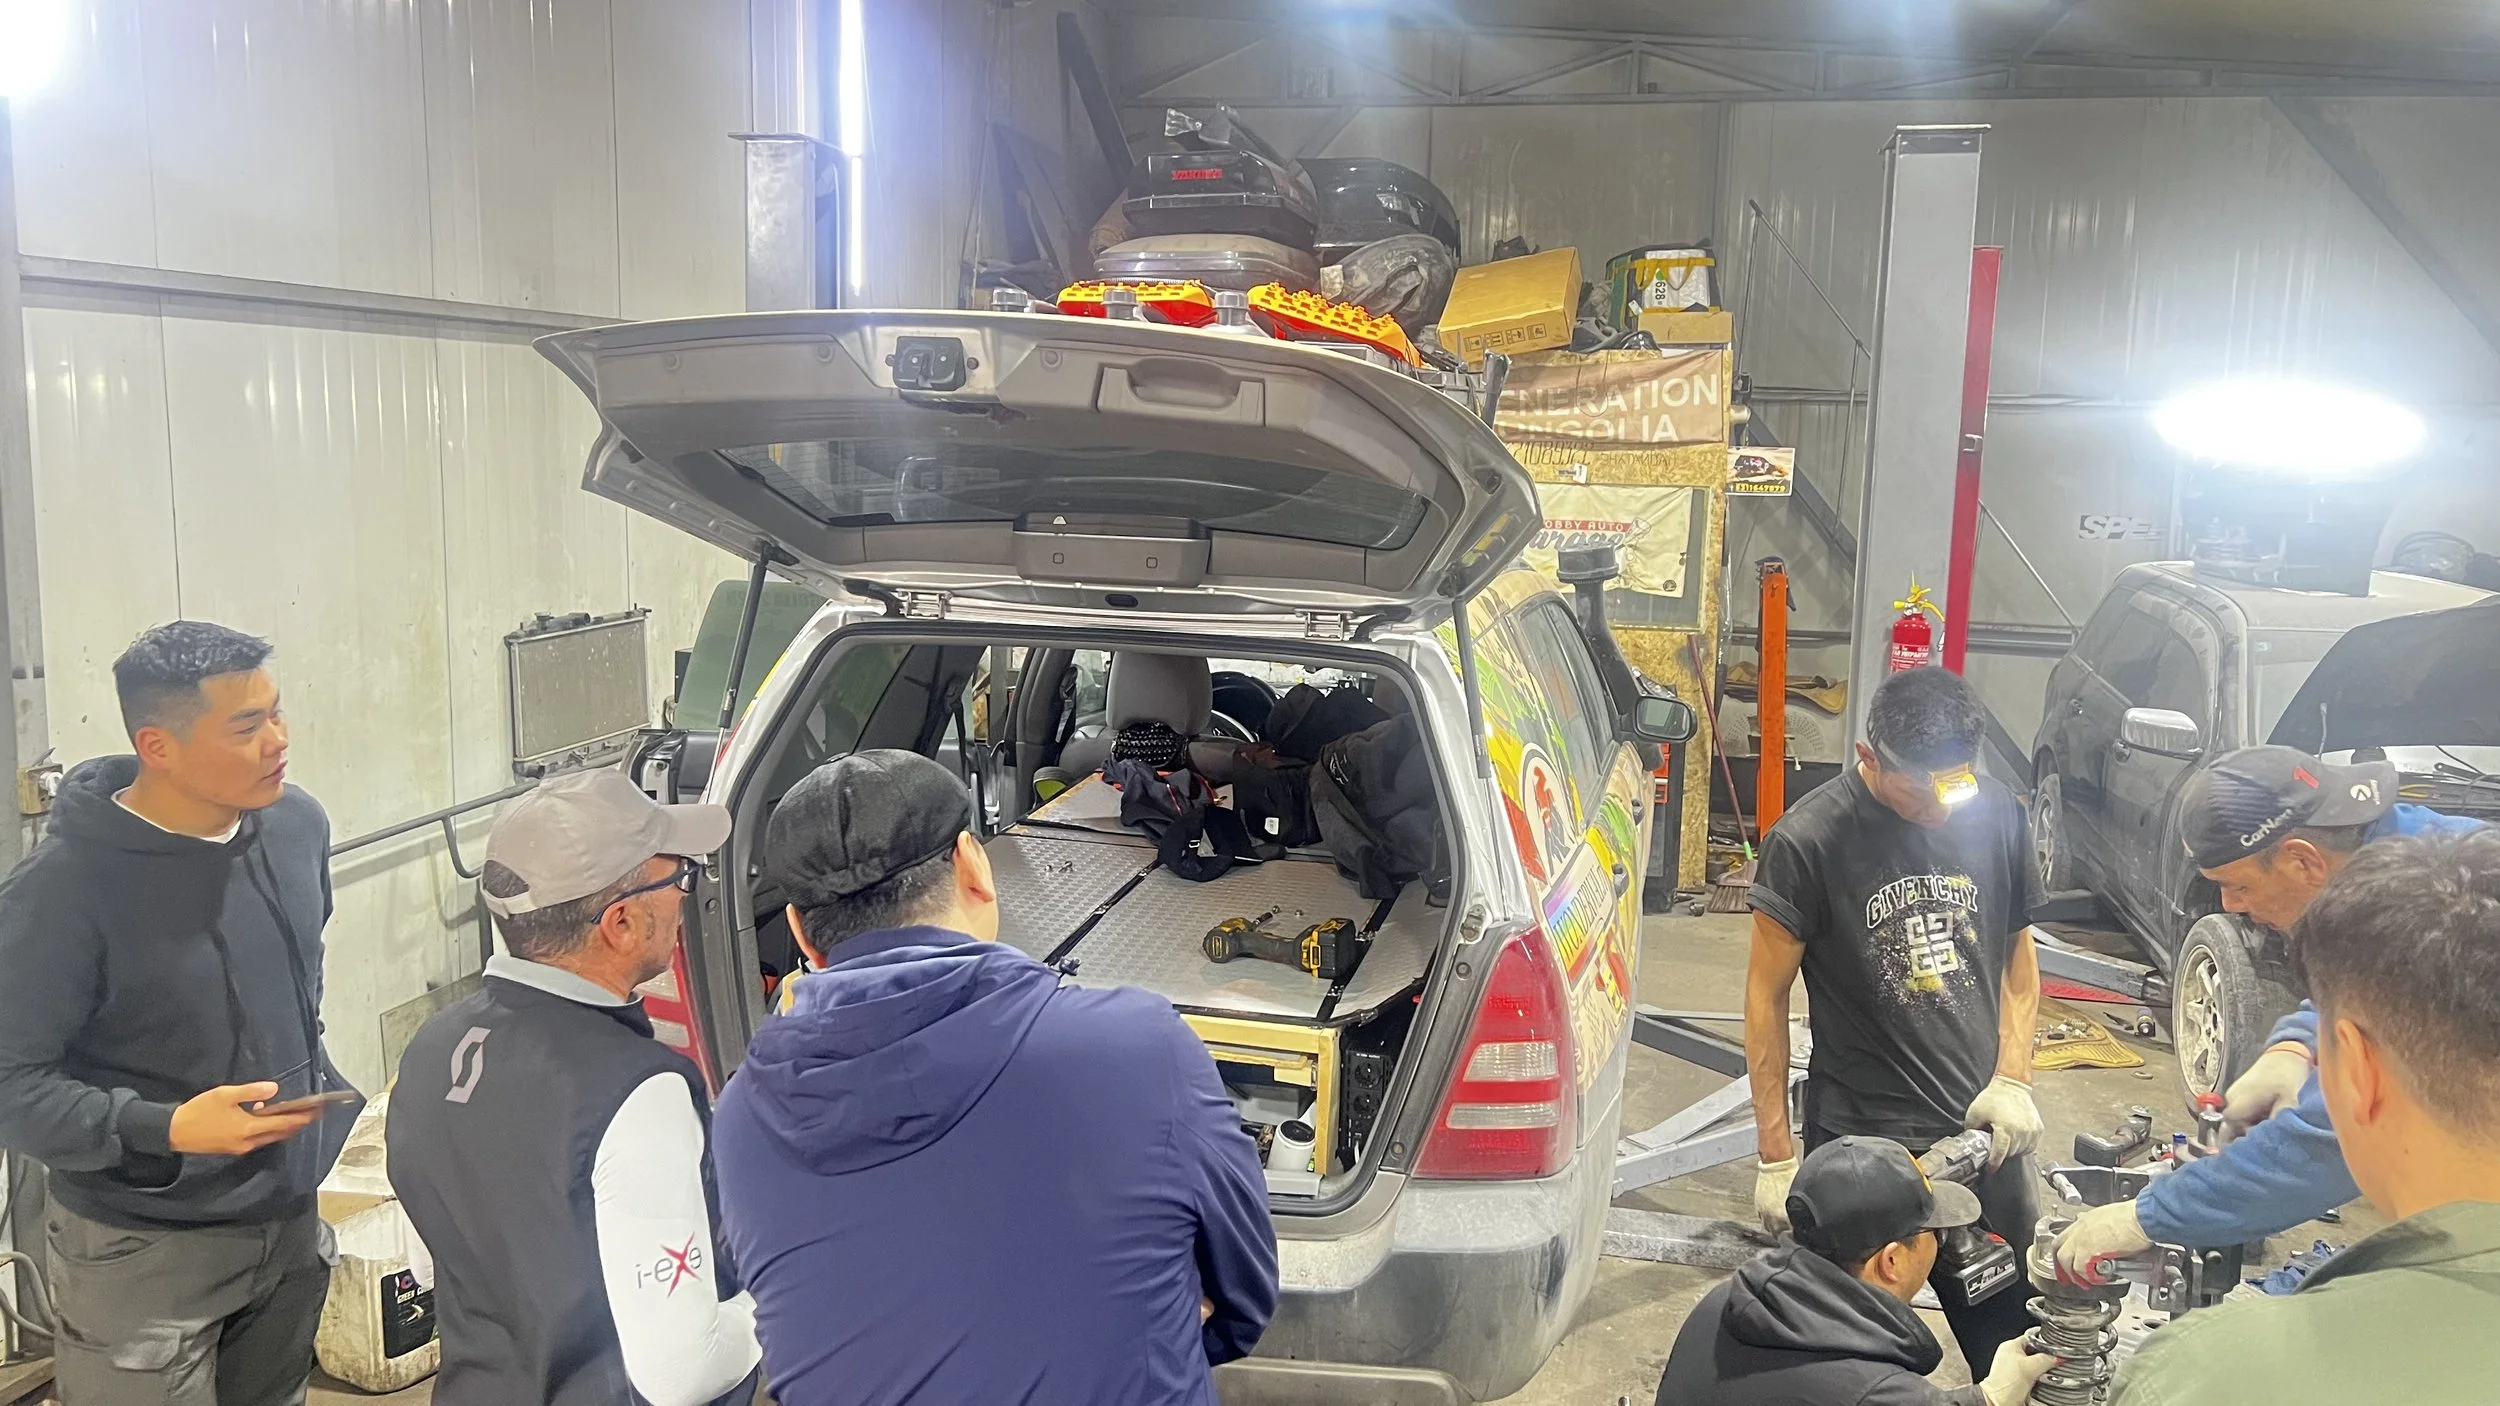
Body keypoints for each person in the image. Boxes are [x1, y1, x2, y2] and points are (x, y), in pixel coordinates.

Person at [710, 749, 1278, 1405]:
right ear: (975, 867)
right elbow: (1243, 1305)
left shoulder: (740, 1122)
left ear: (802, 937)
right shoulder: (1140, 1052)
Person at [0, 622, 358, 1405]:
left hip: (288, 1218)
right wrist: (163, 1128)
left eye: (276, 712)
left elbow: (304, 989)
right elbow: (13, 1088)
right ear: (158, 746)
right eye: (246, 726)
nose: (278, 740)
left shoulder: (296, 828)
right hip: (142, 1249)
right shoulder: (60, 896)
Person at [387, 770, 761, 1406]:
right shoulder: (637, 1090)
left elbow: (462, 1258)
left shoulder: (432, 1048)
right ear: (619, 923)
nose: (684, 897)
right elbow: (683, 1372)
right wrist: (785, 1299)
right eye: (678, 880)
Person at [2052, 745, 2482, 1276]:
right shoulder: (2390, 855)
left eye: (2239, 885)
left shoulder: (2439, 909)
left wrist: (2150, 1216)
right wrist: (2295, 1045)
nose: (2232, 905)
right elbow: (2362, 986)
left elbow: (2336, 1138)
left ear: (2303, 859)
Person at [2104, 831, 2500, 1404]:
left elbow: (2311, 1145)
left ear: (2359, 1071)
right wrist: (2293, 1047)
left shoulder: (2209, 1376)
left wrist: (2147, 1215)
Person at [1744, 667, 2044, 1378]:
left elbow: (2020, 960)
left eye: (1956, 784)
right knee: (1840, 1366)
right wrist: (1775, 1155)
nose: (1945, 809)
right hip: (1861, 1149)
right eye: (1923, 790)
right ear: (1868, 757)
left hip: (1981, 1139)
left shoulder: (1996, 812)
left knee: (2019, 1346)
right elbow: (1765, 1001)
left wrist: (2013, 1079)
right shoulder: (1808, 842)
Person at [1656, 1137, 2058, 1406]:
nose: (1942, 1243)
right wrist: (1991, 1398)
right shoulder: (1872, 1390)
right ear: (1891, 1261)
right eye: (1934, 1232)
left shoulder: (1722, 1302)